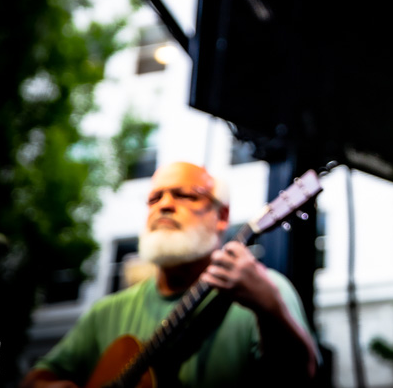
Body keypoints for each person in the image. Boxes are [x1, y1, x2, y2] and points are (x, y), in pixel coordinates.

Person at [22, 161, 319, 387]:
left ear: (222, 216)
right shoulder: (105, 313)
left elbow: (298, 378)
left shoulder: (268, 289)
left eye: (185, 196)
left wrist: (269, 309)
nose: (164, 205)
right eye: (154, 199)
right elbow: (37, 378)